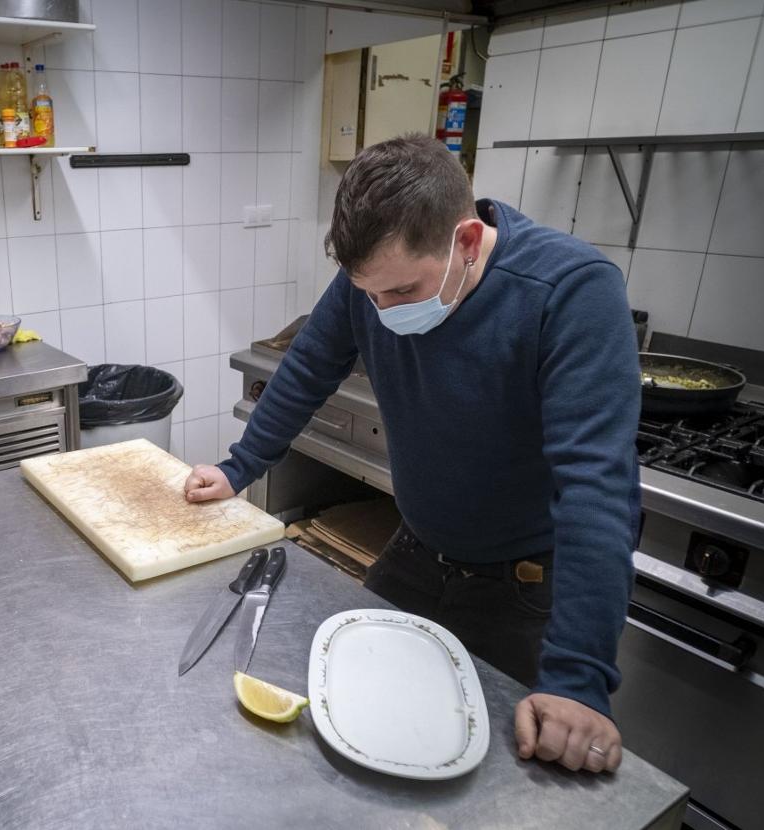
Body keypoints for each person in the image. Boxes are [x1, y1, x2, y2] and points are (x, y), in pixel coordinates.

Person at [185, 134, 639, 776]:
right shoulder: (371, 281)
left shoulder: (570, 293)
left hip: (525, 589)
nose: (381, 310)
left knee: (496, 775)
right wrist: (239, 468)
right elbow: (310, 365)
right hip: (417, 555)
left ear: (468, 242)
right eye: (368, 293)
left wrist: (578, 679)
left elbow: (596, 488)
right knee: (344, 723)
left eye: (400, 292)